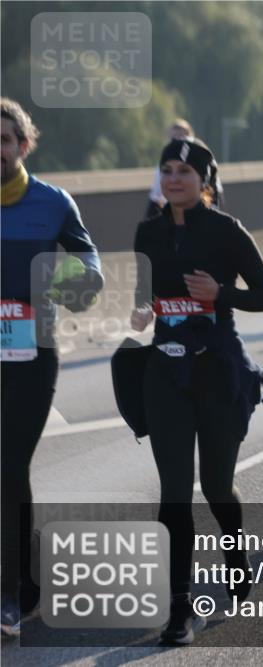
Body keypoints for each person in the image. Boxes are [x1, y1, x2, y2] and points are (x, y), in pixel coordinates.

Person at [126, 137, 263, 645]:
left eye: (183, 171)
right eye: (165, 169)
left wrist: (221, 295)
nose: (172, 178)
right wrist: (143, 313)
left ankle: (234, 550)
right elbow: (143, 299)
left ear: (205, 182)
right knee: (173, 492)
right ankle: (179, 607)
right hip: (166, 373)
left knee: (215, 488)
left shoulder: (227, 231)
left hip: (218, 371)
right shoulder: (147, 233)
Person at [1, 98, 105, 638]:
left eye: (4, 140)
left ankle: (10, 593)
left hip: (31, 353)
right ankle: (28, 573)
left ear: (23, 145)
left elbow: (90, 265)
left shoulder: (52, 202)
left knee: (8, 464)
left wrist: (71, 281)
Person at [145, 120, 224, 218]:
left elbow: (214, 192)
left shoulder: (204, 159)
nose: (174, 178)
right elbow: (156, 199)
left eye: (184, 171)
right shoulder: (163, 166)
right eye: (174, 140)